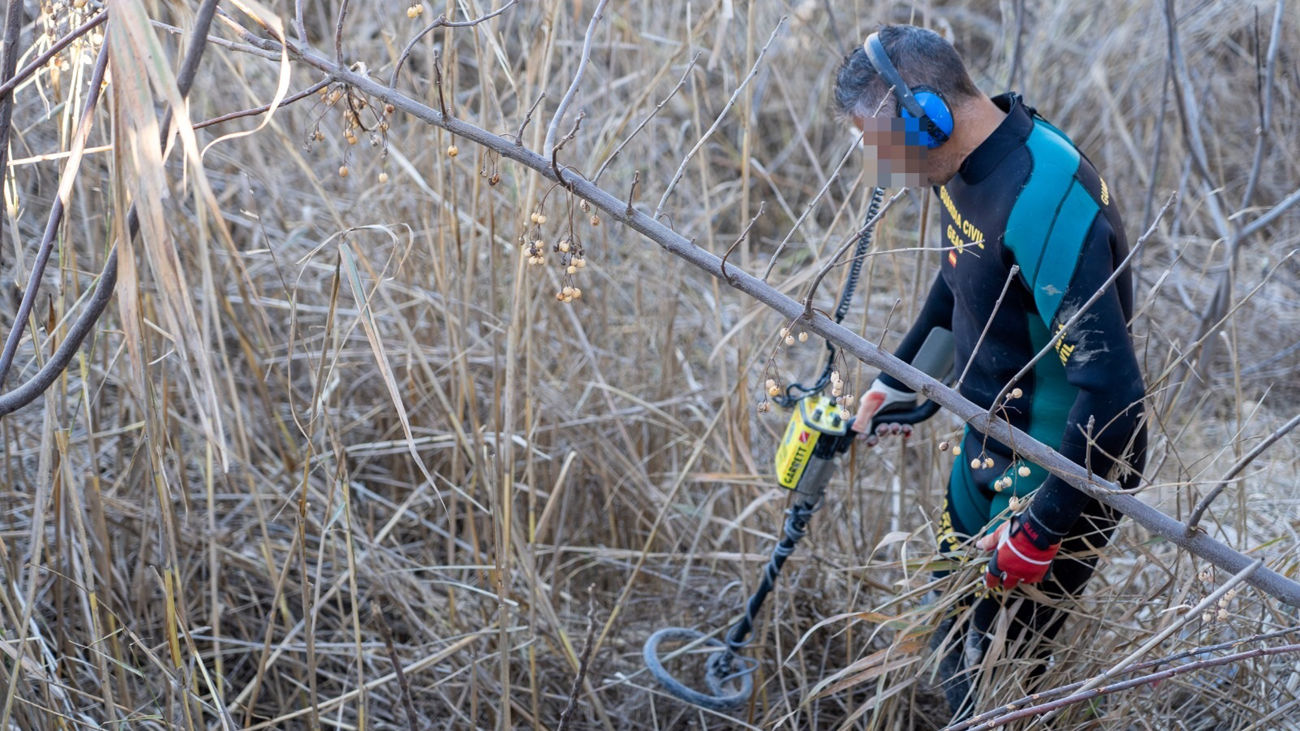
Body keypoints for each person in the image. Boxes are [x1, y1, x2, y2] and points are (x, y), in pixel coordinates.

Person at [833, 24, 1148, 720]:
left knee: (1000, 673)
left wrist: (1040, 530)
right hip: (984, 449)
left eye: (875, 141)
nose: (877, 165)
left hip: (1063, 468)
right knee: (950, 635)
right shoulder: (960, 169)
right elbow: (962, 283)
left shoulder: (1045, 197)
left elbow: (1116, 397)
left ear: (926, 117)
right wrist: (902, 379)